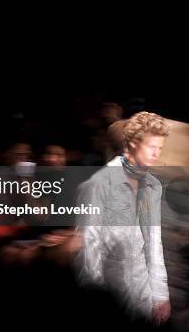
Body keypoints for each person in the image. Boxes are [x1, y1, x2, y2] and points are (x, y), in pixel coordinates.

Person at [75, 111, 171, 325]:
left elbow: (154, 243)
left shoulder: (153, 185)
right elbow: (89, 250)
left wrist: (160, 295)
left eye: (160, 148)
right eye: (151, 147)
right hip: (110, 297)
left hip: (143, 295)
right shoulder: (98, 185)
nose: (157, 154)